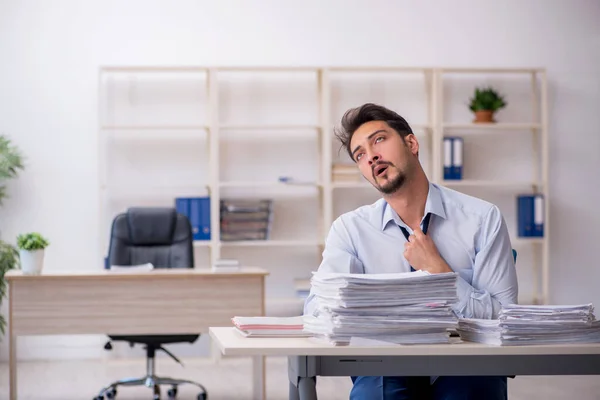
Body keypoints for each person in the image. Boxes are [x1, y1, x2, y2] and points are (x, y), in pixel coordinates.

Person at [304, 103, 518, 400]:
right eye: (360, 155)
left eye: (379, 140)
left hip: (467, 360)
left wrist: (440, 274)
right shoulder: (350, 230)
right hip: (385, 362)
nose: (371, 156)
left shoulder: (482, 219)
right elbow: (316, 311)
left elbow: (503, 320)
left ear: (412, 143)